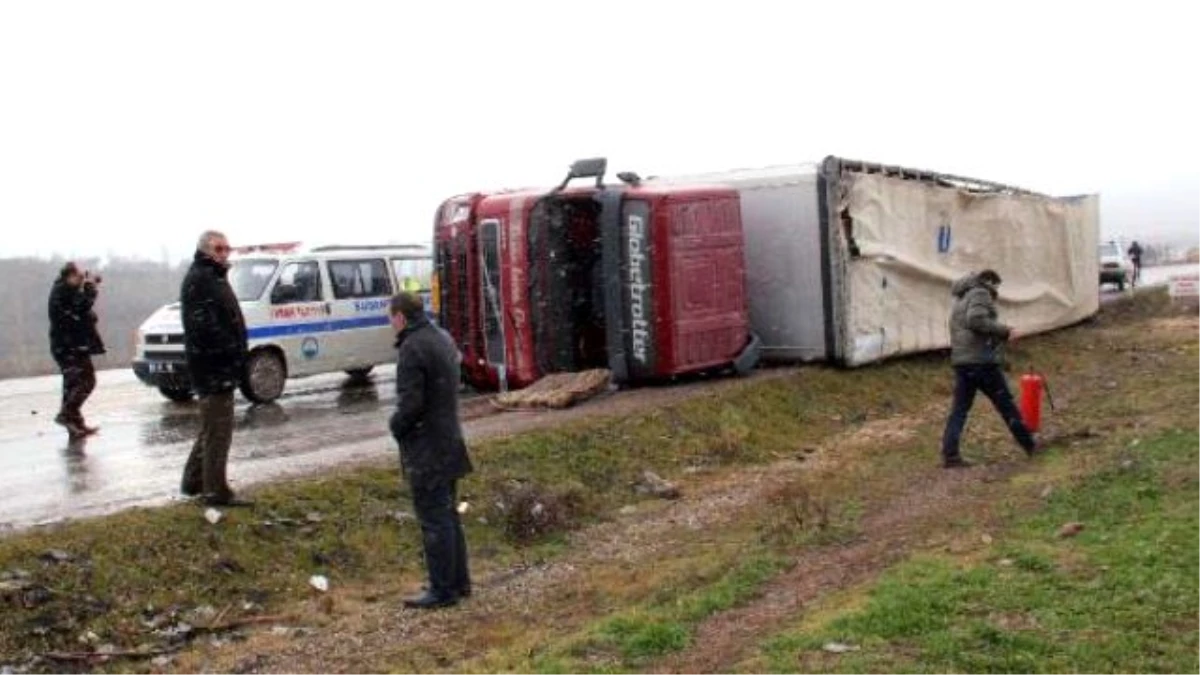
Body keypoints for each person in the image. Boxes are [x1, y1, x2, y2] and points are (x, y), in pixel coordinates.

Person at [389, 291, 473, 609]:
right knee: (448, 515)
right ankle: (459, 582)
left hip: (427, 447)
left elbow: (411, 404)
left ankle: (442, 590)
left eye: (391, 317)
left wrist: (396, 426)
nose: (391, 323)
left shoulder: (412, 348)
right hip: (449, 439)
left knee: (434, 519)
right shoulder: (442, 336)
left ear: (400, 316)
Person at [941, 269, 1042, 468]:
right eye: (996, 284)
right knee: (1006, 405)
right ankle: (1030, 446)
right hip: (981, 363)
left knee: (959, 410)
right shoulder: (980, 293)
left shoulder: (961, 299)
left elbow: (968, 327)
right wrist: (1006, 331)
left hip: (963, 363)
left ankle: (950, 454)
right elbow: (976, 320)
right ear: (989, 281)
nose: (997, 289)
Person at [180, 231, 252, 507]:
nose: (224, 254)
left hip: (217, 365)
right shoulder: (201, 279)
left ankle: (194, 480)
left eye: (227, 248)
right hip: (212, 367)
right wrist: (228, 352)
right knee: (218, 432)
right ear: (205, 251)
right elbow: (204, 328)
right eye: (218, 249)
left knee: (212, 427)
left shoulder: (212, 276)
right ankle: (215, 490)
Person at [48, 262, 106, 438]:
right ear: (70, 276)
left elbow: (83, 312)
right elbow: (80, 309)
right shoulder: (62, 291)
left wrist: (88, 289)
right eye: (80, 277)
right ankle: (66, 415)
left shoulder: (67, 291)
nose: (82, 280)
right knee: (85, 382)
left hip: (71, 345)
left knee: (72, 385)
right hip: (68, 347)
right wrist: (90, 290)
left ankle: (75, 425)